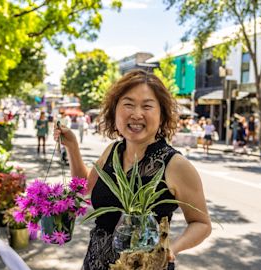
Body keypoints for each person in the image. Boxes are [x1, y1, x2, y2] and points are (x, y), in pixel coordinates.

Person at [53, 70, 211, 270]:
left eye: (147, 106)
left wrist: (171, 248)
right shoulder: (112, 151)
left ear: (161, 115)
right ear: (115, 111)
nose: (137, 114)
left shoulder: (175, 164)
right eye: (128, 104)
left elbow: (202, 223)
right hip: (95, 263)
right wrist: (72, 147)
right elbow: (84, 188)